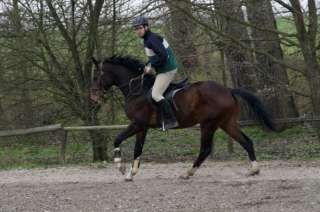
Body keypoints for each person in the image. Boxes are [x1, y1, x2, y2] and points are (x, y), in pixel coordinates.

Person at [132, 15, 178, 130]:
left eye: (139, 28)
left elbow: (163, 56)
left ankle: (171, 120)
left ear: (146, 27)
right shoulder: (149, 38)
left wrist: (151, 67)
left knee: (155, 95)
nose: (137, 31)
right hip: (163, 68)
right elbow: (156, 56)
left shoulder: (151, 39)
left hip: (167, 69)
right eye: (135, 29)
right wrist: (149, 64)